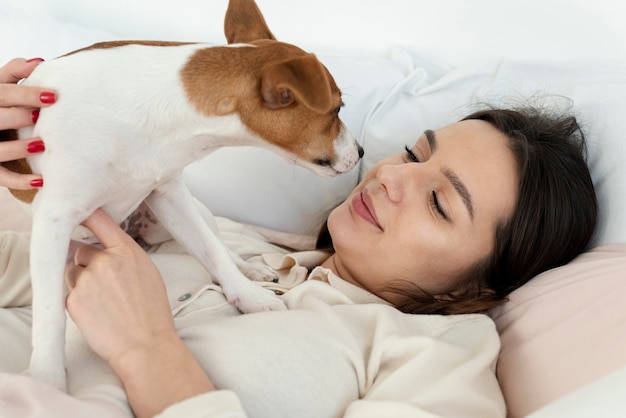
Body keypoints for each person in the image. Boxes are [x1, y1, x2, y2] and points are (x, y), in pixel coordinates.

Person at [0, 57, 597, 418]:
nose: (391, 177)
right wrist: (23, 165)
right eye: (414, 153)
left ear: (477, 290)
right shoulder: (217, 238)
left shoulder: (436, 355)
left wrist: (148, 352)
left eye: (440, 203)